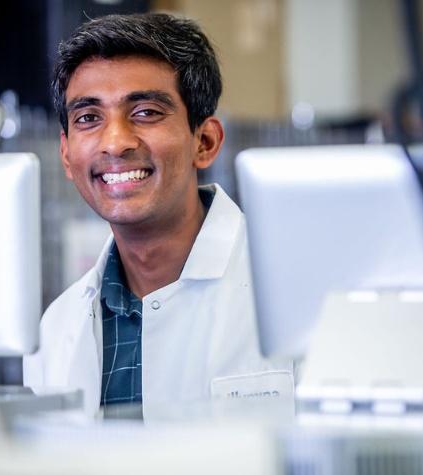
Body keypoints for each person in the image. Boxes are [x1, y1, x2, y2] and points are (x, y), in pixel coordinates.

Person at [23, 12, 293, 417]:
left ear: (204, 141)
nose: (115, 143)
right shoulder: (56, 329)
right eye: (88, 118)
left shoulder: (291, 290)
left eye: (146, 112)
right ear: (66, 153)